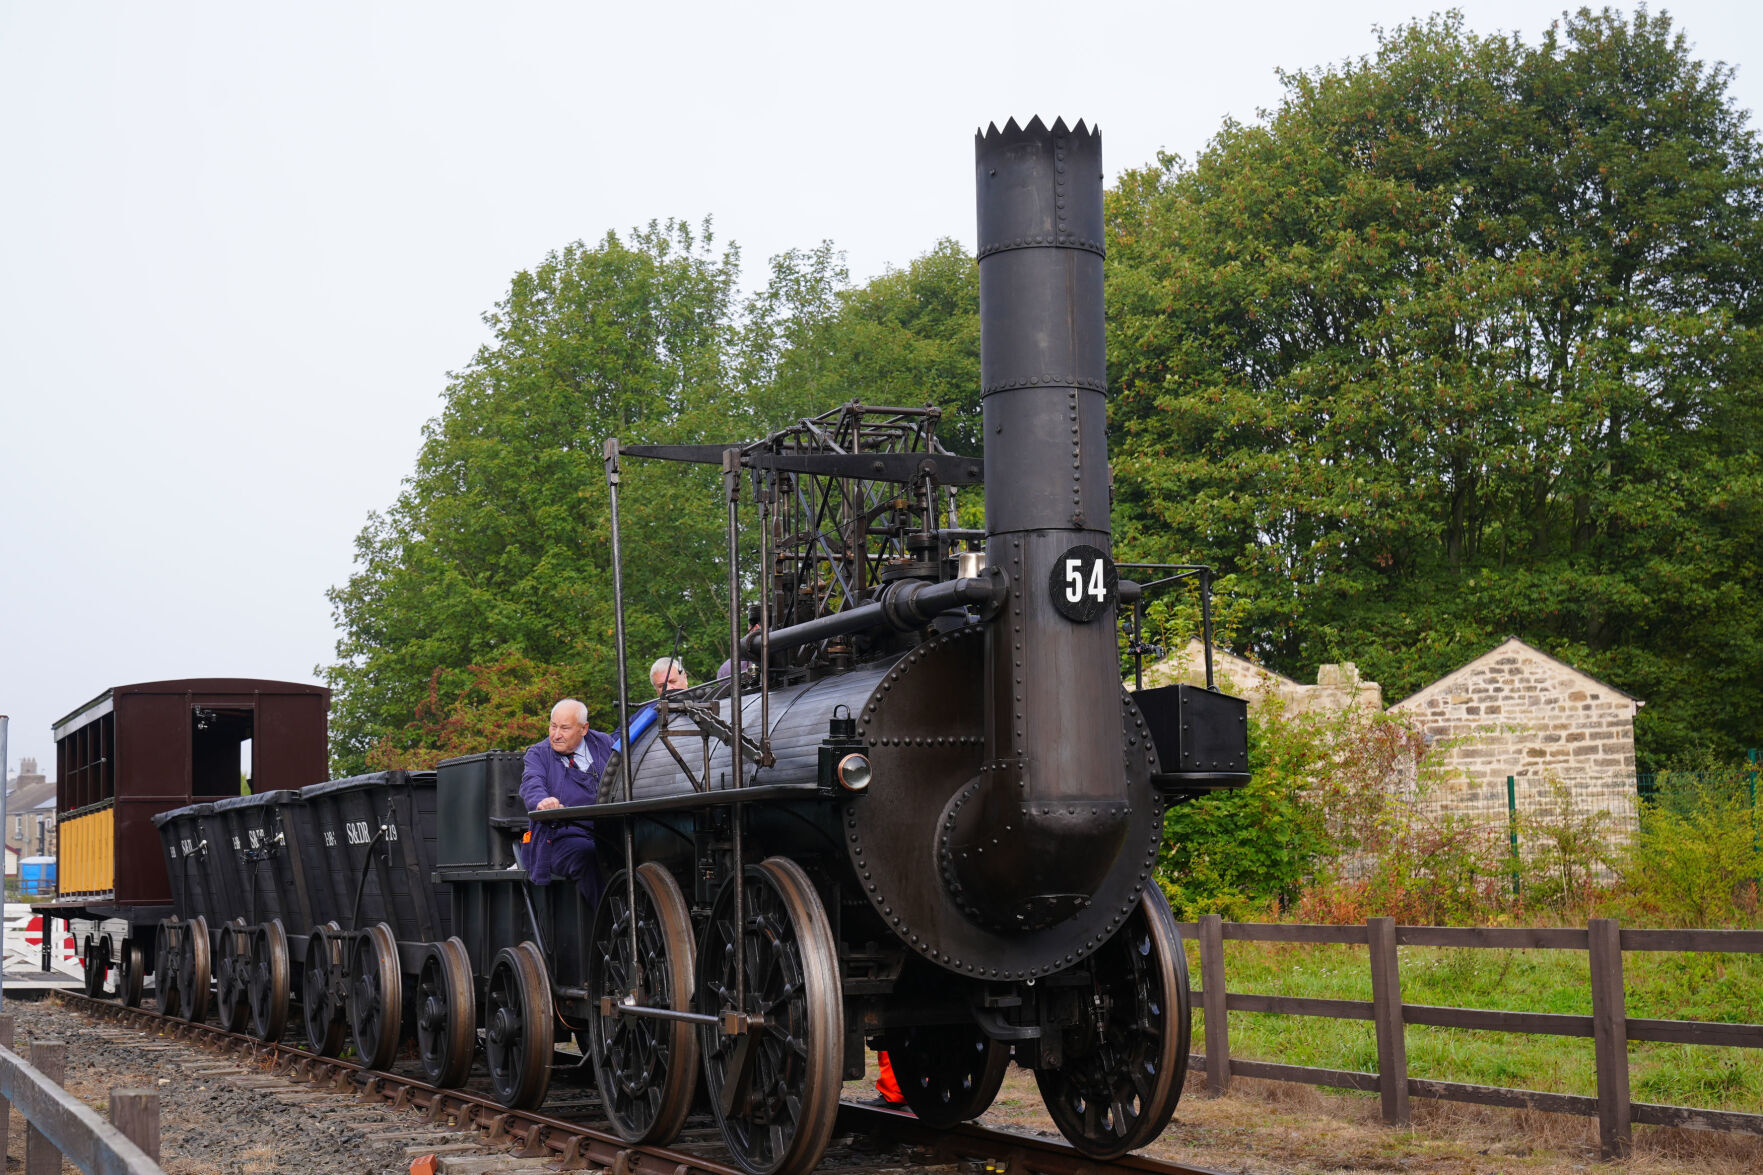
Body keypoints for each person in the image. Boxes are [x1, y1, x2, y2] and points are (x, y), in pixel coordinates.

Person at [521, 698, 617, 905]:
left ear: (584, 729)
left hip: (608, 832)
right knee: (587, 854)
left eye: (564, 728)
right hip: (559, 837)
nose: (556, 735)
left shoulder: (606, 744)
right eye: (553, 726)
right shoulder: (537, 754)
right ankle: (612, 921)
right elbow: (531, 783)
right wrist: (542, 801)